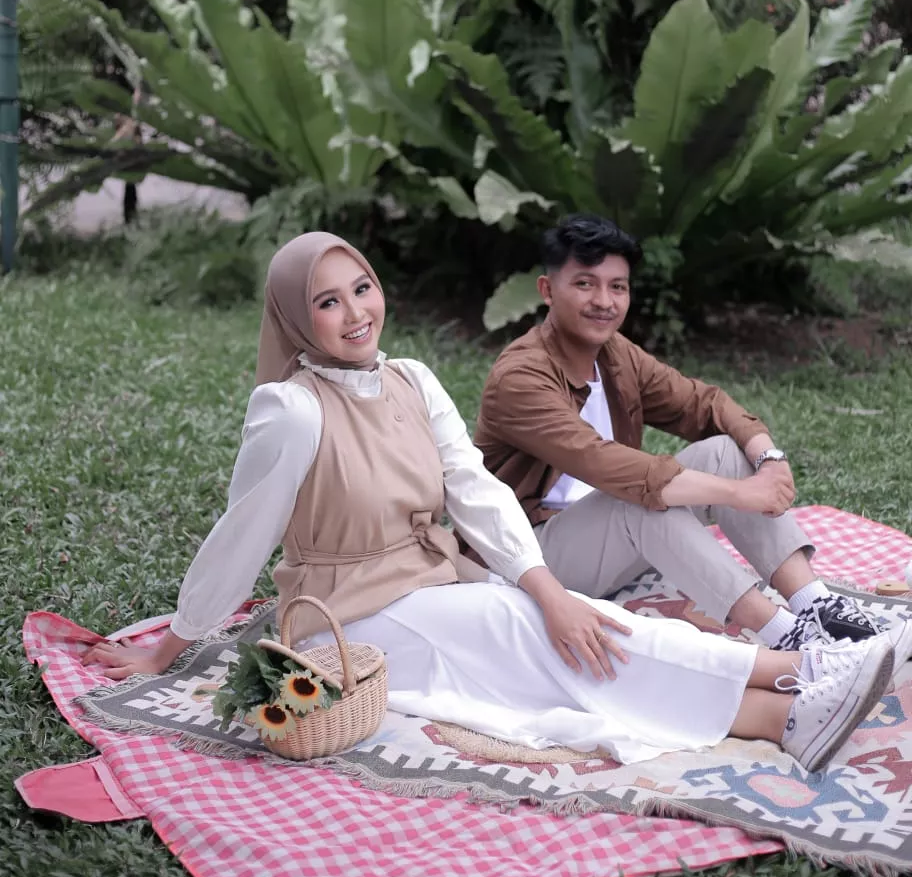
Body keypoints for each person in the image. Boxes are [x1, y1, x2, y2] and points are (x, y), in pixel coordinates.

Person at [85, 233, 894, 773]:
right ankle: (796, 674)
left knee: (560, 636)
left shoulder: (411, 379)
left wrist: (546, 590)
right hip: (349, 616)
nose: (356, 312)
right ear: (297, 317)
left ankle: (784, 714)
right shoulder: (290, 410)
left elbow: (474, 491)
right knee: (537, 639)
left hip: (435, 581)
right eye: (327, 302)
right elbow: (242, 533)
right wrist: (172, 646)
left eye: (362, 288)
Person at [474, 213, 912, 666]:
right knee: (640, 502)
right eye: (585, 284)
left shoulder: (614, 354)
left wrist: (769, 459)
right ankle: (788, 637)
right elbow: (610, 466)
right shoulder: (520, 377)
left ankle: (816, 604)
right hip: (530, 559)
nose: (604, 301)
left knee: (724, 450)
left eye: (617, 286)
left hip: (607, 540)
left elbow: (705, 404)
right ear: (547, 290)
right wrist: (739, 493)